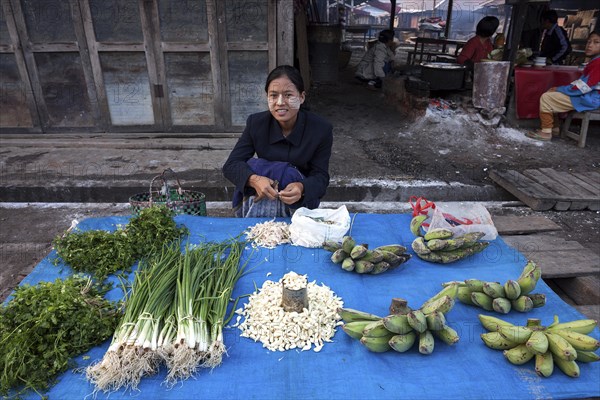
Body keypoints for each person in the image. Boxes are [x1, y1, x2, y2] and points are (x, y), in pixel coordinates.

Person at [222, 65, 333, 217]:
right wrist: (254, 180)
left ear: (301, 97)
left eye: (288, 95)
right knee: (254, 168)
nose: (280, 102)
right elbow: (231, 165)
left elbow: (321, 177)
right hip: (262, 193)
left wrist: (301, 187)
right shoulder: (256, 123)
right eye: (273, 95)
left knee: (288, 175)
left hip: (299, 202)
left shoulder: (321, 129)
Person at [526, 31, 600, 141]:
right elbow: (582, 84)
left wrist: (562, 89)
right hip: (589, 95)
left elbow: (584, 86)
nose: (590, 45)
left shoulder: (598, 63)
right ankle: (554, 128)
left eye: (596, 42)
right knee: (553, 94)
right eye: (589, 42)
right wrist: (563, 89)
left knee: (547, 98)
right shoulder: (595, 61)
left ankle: (546, 132)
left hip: (591, 98)